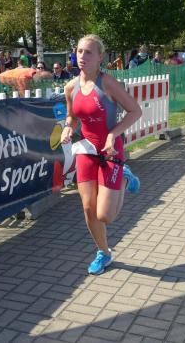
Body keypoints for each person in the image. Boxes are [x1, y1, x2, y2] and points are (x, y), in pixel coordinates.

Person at [60, 34, 142, 275]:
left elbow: (135, 111)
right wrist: (67, 128)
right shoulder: (70, 87)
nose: (82, 56)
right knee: (88, 208)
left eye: (88, 52)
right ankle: (104, 252)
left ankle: (124, 177)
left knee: (105, 215)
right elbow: (72, 116)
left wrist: (112, 134)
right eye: (79, 51)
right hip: (86, 150)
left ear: (100, 57)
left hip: (110, 149)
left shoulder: (108, 83)